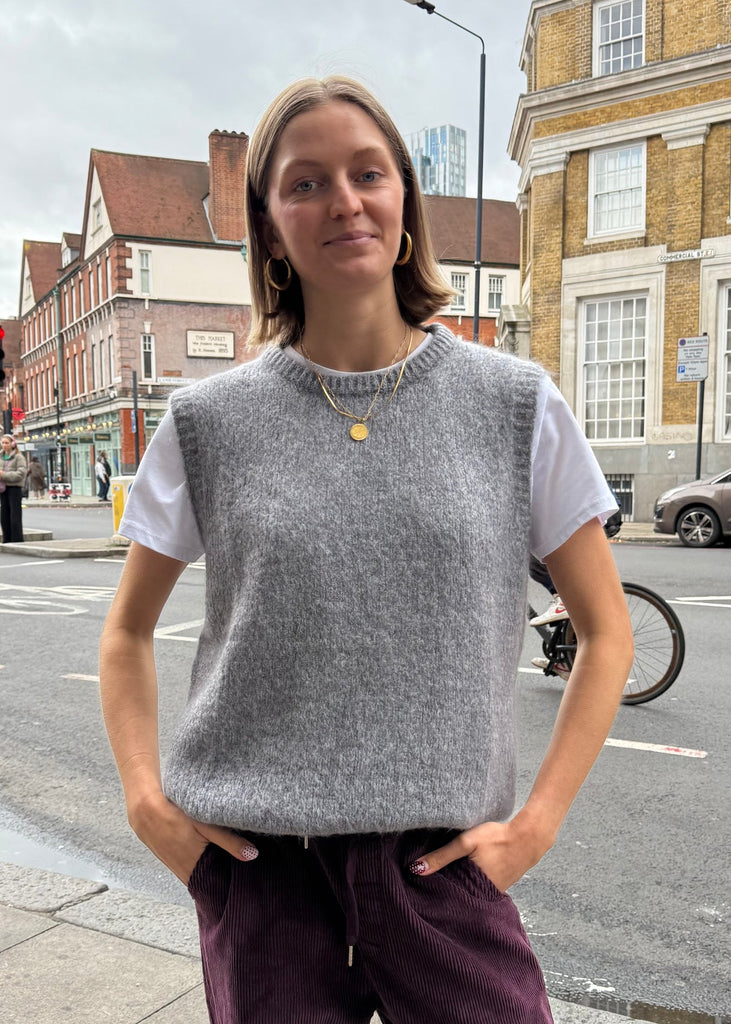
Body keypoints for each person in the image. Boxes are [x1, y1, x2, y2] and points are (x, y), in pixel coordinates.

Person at [100, 76, 634, 1024]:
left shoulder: (515, 406)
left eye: (367, 173)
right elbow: (126, 634)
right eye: (304, 183)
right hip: (261, 873)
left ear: (403, 202)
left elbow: (605, 633)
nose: (343, 201)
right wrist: (149, 806)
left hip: (442, 870)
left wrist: (534, 827)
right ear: (267, 226)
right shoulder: (206, 423)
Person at [0, 435, 27, 543]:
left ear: (12, 444)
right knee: (4, 515)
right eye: (3, 443)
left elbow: (21, 474)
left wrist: (4, 475)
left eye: (7, 443)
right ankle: (7, 539)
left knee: (14, 515)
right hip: (3, 489)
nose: (4, 445)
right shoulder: (1, 457)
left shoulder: (18, 457)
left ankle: (16, 539)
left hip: (14, 488)